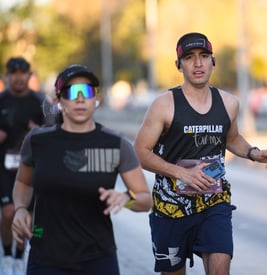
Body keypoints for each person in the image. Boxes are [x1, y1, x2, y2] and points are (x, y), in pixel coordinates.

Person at [134, 32, 267, 275]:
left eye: (204, 56)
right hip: (171, 208)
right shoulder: (164, 104)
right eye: (190, 58)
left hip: (214, 202)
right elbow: (140, 151)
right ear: (179, 65)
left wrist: (254, 153)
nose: (198, 63)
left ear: (213, 61)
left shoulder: (229, 103)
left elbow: (232, 139)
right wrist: (182, 173)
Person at [11, 64, 153, 274]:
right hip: (46, 257)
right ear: (58, 100)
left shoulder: (116, 144)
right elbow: (23, 182)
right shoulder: (37, 141)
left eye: (86, 91)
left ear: (97, 98)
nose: (79, 98)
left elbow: (145, 199)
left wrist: (126, 197)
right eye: (71, 92)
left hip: (97, 257)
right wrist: (20, 209)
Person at [0, 57, 50, 275]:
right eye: (14, 73)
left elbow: (57, 130)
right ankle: (8, 255)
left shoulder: (40, 101)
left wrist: (38, 131)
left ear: (30, 75)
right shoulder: (1, 100)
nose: (18, 77)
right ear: (7, 75)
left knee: (27, 217)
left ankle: (20, 258)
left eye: (23, 73)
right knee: (9, 213)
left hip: (31, 167)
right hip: (4, 168)